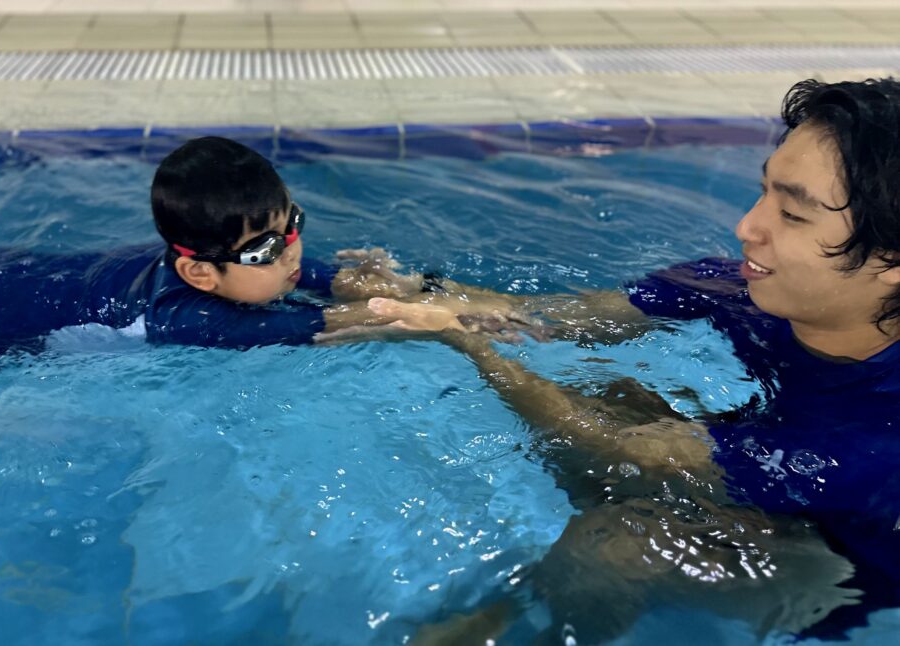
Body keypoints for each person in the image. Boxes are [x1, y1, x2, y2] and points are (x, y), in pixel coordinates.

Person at [0, 136, 524, 539]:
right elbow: (331, 330)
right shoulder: (189, 315)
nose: (290, 256)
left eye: (292, 232)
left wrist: (413, 287)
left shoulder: (238, 266)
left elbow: (344, 289)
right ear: (201, 270)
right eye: (264, 250)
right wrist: (425, 323)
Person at [378, 77, 900, 641]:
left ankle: (518, 628)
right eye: (764, 191)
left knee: (617, 541)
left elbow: (622, 451)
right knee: (620, 394)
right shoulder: (755, 293)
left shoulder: (878, 436)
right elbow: (549, 316)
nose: (747, 227)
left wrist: (469, 345)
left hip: (838, 574)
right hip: (769, 484)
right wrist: (415, 291)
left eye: (793, 215)